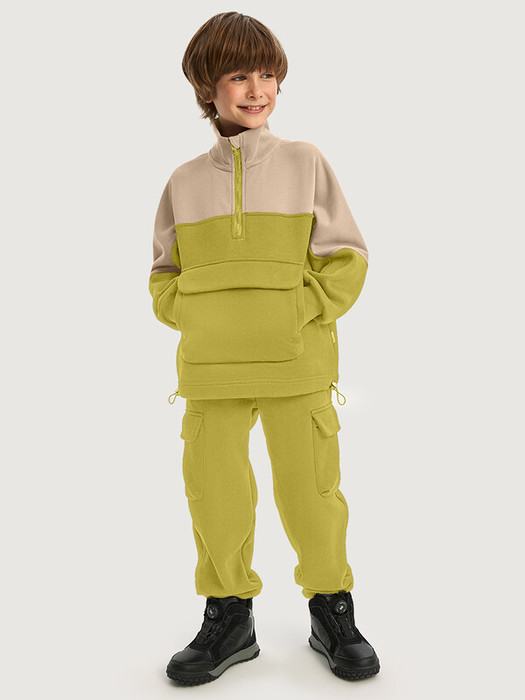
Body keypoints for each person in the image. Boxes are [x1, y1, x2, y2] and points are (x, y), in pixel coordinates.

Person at [148, 11, 380, 686]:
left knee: (311, 492)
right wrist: (199, 317)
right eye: (238, 76)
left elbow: (347, 258)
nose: (257, 90)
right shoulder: (183, 182)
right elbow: (162, 277)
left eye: (267, 74)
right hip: (210, 370)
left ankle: (331, 608)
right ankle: (229, 616)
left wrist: (296, 310)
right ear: (206, 88)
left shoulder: (305, 162)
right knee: (214, 495)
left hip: (297, 363)